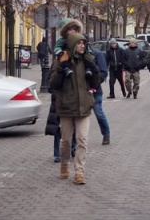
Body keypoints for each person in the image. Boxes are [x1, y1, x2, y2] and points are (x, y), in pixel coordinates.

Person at [49, 32, 101, 185]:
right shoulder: (61, 60)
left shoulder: (86, 61)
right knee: (65, 141)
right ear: (72, 45)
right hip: (66, 106)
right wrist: (61, 68)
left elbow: (95, 83)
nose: (82, 46)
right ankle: (64, 164)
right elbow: (53, 84)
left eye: (84, 44)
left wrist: (94, 67)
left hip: (83, 106)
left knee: (82, 140)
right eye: (79, 43)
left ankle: (79, 172)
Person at [89, 42, 111, 145]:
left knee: (99, 113)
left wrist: (95, 83)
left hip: (95, 90)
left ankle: (106, 134)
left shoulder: (96, 54)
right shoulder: (76, 54)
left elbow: (103, 72)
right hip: (80, 91)